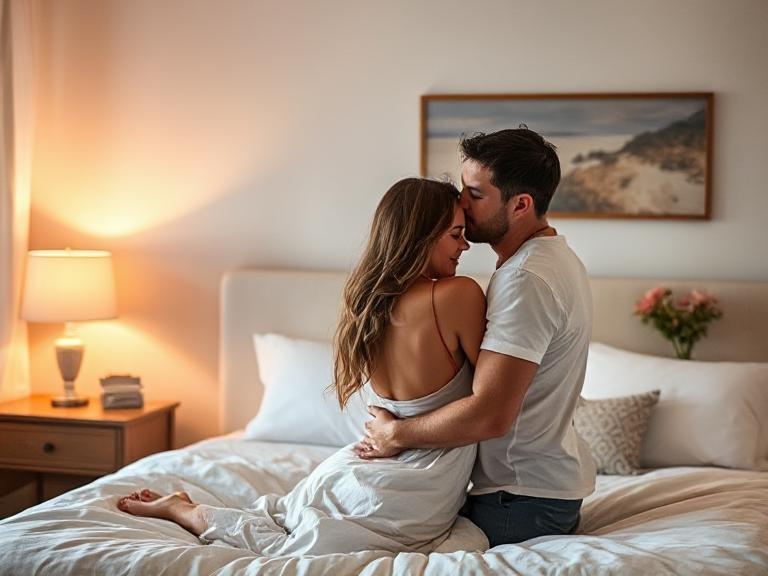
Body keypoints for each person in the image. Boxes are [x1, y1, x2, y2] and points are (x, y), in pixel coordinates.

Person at [117, 177, 489, 555]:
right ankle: (187, 512)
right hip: (415, 481)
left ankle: (191, 511)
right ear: (420, 236)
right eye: (456, 234)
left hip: (358, 465)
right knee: (305, 545)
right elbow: (495, 396)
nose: (465, 245)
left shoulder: (370, 306)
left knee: (292, 527)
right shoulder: (458, 295)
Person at [357, 128, 597, 547]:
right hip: (533, 492)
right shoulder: (554, 259)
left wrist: (395, 434)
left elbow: (491, 414)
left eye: (475, 193)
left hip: (519, 500)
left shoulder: (525, 279)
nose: (462, 204)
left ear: (520, 205)